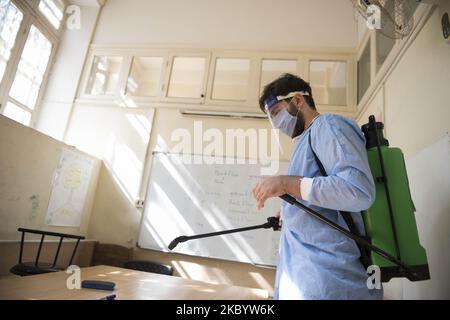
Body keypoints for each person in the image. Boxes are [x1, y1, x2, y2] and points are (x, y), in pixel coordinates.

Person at [252, 73, 383, 300]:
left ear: (298, 100)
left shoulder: (329, 126)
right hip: (306, 281)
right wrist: (289, 212)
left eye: (276, 112)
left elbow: (357, 190)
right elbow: (317, 194)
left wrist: (285, 183)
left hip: (331, 283)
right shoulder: (305, 143)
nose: (275, 123)